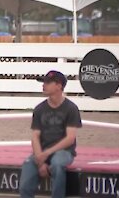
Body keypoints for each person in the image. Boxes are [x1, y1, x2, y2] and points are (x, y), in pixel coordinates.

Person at [19, 70, 82, 198]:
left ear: (59, 86)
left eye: (48, 82)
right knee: (27, 167)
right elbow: (35, 136)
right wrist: (40, 160)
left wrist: (46, 153)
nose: (43, 85)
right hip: (42, 152)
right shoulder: (39, 109)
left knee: (57, 165)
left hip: (64, 151)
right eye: (43, 82)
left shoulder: (71, 108)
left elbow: (70, 138)